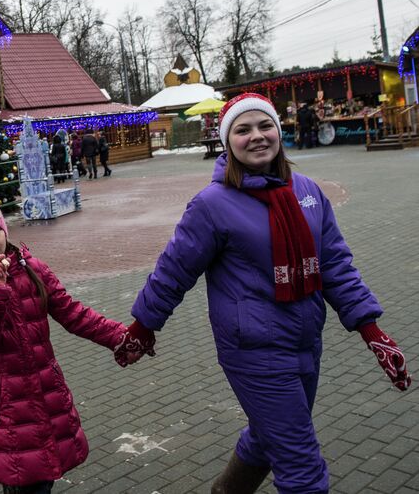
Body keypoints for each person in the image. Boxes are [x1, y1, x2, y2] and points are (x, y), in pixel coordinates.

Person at [120, 93, 411, 494]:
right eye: (242, 130)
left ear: (278, 130)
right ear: (228, 141)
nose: (256, 136)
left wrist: (371, 331)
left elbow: (335, 266)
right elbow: (174, 271)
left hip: (306, 340)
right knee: (301, 466)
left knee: (269, 434)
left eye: (265, 126)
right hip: (254, 349)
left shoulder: (308, 191)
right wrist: (143, 325)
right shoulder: (212, 205)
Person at [0, 185, 130, 493]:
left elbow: (72, 313)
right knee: (24, 478)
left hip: (46, 390)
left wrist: (119, 336)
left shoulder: (32, 269)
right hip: (8, 403)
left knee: (42, 473)